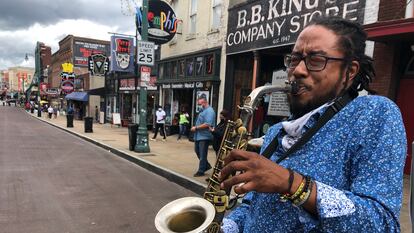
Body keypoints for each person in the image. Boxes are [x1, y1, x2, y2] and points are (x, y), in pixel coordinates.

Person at [219, 16, 407, 232]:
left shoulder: (374, 114)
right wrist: (228, 226)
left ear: (350, 71)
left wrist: (292, 184)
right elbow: (252, 206)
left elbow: (381, 223)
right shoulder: (275, 133)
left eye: (316, 60)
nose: (297, 70)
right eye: (295, 58)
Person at [191, 96, 216, 177]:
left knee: (202, 154)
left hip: (205, 136)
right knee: (197, 151)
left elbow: (207, 124)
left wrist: (196, 127)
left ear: (205, 102)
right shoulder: (203, 110)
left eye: (200, 103)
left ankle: (201, 170)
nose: (200, 105)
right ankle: (206, 165)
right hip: (198, 135)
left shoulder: (210, 111)